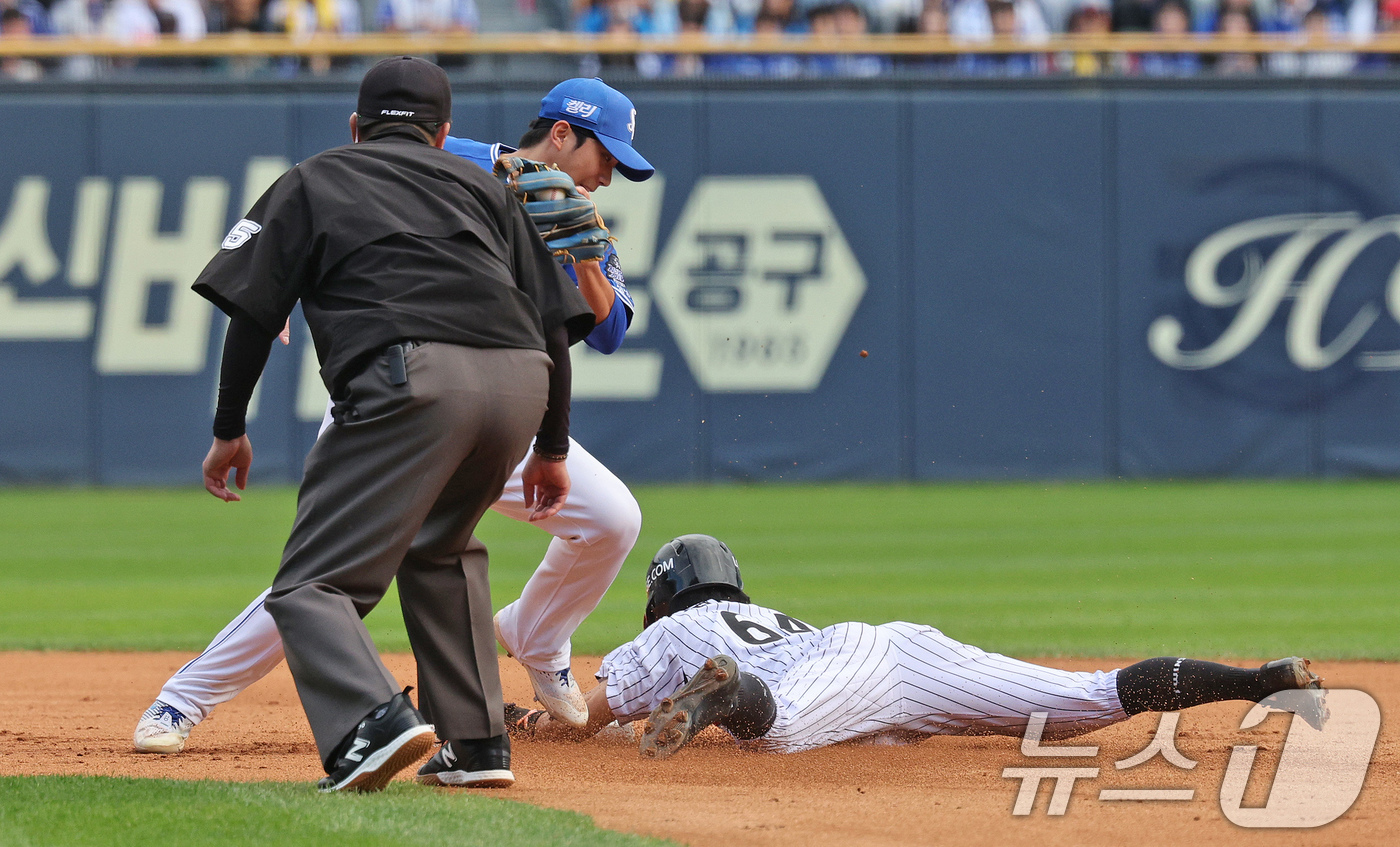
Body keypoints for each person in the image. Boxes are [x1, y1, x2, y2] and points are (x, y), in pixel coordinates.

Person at [133, 79, 654, 774]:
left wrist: (584, 253)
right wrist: (284, 278)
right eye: (607, 156)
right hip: (396, 386)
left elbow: (607, 330)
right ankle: (184, 699)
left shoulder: (568, 210)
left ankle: (535, 640)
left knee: (612, 518)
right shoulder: (471, 163)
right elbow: (357, 180)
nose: (611, 174)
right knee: (336, 568)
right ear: (562, 134)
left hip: (498, 394)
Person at [508, 534, 1327, 760]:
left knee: (781, 726)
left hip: (826, 678)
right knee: (1086, 700)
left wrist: (528, 721)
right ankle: (1261, 680)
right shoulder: (764, 614)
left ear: (661, 596)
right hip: (893, 648)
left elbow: (585, 712)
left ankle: (729, 693)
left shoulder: (680, 628)